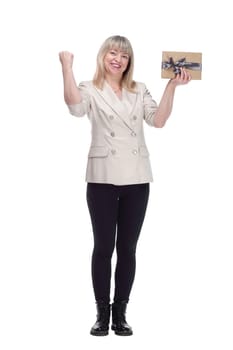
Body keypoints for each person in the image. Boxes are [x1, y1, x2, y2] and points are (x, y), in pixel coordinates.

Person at [59, 35, 191, 336]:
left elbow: (158, 121)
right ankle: (101, 314)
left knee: (128, 248)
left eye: (124, 55)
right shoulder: (89, 88)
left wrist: (171, 87)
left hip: (137, 178)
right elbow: (75, 108)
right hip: (103, 177)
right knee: (103, 247)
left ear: (129, 62)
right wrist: (67, 67)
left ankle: (121, 314)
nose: (118, 59)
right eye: (113, 53)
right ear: (103, 56)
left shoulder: (139, 89)